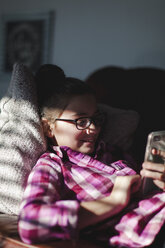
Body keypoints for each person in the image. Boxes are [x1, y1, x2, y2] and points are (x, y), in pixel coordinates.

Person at [18, 65, 165, 247]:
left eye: (96, 118)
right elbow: (31, 225)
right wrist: (114, 201)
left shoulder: (114, 152)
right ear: (48, 127)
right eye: (81, 121)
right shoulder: (53, 165)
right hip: (145, 230)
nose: (94, 128)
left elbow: (145, 193)